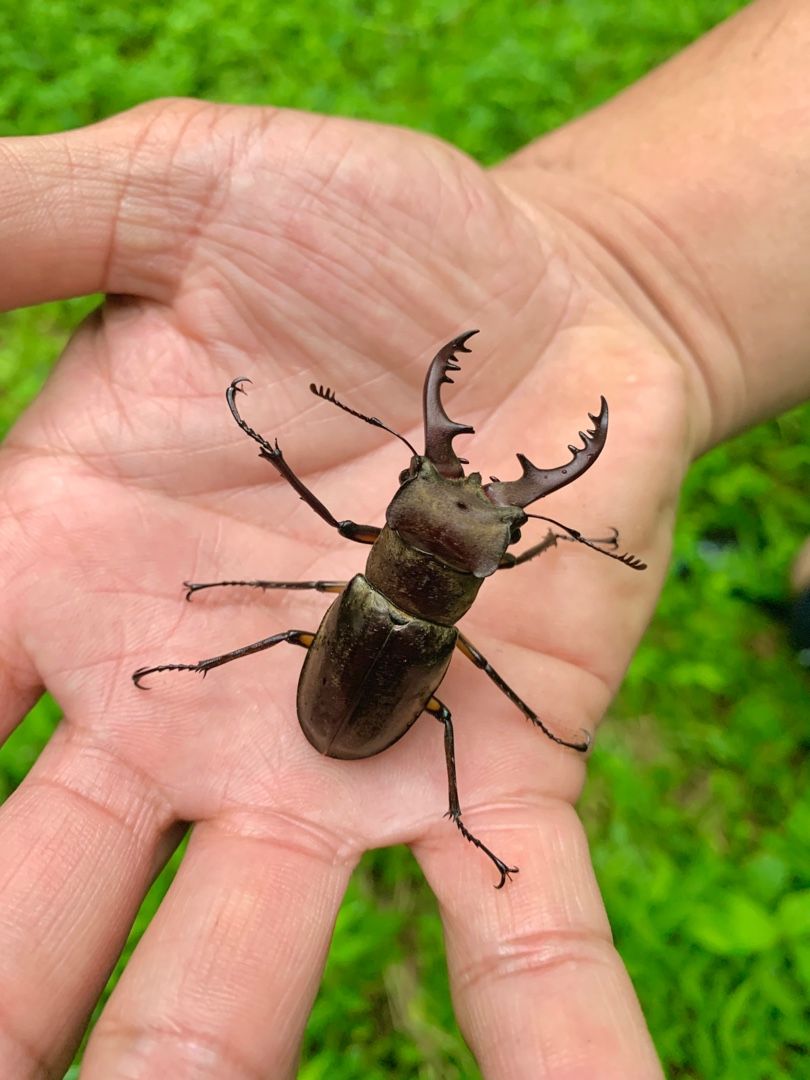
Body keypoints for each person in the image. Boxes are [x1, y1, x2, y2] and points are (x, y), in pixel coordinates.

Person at [1, 1, 808, 1075]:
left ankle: (233, 664)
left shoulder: (379, 582)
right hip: (381, 684)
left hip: (364, 681)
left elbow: (332, 530)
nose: (464, 507)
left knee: (415, 692)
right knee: (450, 707)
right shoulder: (443, 623)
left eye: (476, 531)